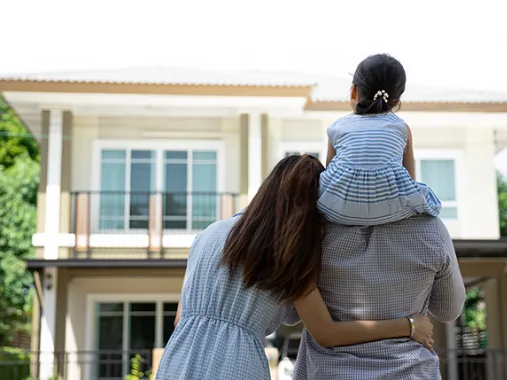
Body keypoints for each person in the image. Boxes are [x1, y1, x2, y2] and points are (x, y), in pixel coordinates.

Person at [155, 155, 435, 380]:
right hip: (237, 364)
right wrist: (409, 325)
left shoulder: (208, 234)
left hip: (178, 359)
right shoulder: (287, 252)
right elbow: (327, 333)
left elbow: (180, 318)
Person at [290, 217, 466, 379]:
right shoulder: (431, 228)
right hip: (411, 372)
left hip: (332, 373)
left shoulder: (308, 232)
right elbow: (448, 311)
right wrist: (409, 324)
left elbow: (289, 316)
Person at [318, 53, 442, 226]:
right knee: (426, 193)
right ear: (397, 100)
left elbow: (330, 174)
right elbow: (410, 179)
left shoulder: (337, 127)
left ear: (354, 91)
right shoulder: (401, 128)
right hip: (392, 210)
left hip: (338, 210)